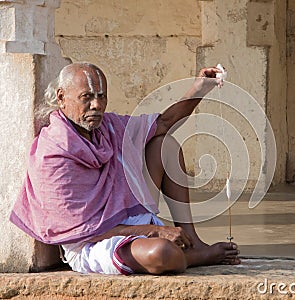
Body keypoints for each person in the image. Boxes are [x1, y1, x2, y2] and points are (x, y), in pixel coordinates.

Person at [10, 62, 240, 275]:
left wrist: (200, 88)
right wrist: (153, 231)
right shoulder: (52, 154)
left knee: (164, 144)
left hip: (129, 217)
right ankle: (191, 257)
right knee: (163, 254)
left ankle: (193, 241)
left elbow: (163, 123)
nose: (97, 105)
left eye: (101, 96)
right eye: (86, 97)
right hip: (92, 242)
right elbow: (80, 231)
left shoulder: (108, 126)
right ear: (61, 98)